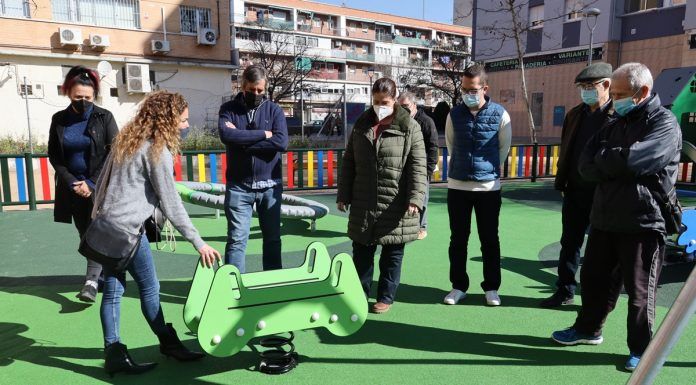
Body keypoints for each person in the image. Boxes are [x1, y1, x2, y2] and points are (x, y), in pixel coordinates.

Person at [551, 63, 681, 372]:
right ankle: (587, 329)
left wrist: (610, 161)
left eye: (621, 93)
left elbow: (637, 160)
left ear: (643, 92)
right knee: (594, 281)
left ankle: (642, 349)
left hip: (643, 220)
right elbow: (586, 162)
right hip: (605, 216)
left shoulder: (664, 123)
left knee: (639, 293)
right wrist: (616, 161)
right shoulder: (614, 123)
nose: (616, 99)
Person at [95, 91, 221, 376]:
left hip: (106, 226)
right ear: (168, 119)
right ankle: (169, 343)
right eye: (184, 120)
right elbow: (171, 202)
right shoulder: (156, 151)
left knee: (113, 291)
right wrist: (198, 242)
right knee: (150, 289)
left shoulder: (127, 142)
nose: (186, 126)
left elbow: (102, 183)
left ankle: (113, 352)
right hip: (127, 231)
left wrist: (98, 216)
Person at [337, 77, 427, 314]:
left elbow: (418, 166)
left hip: (395, 201)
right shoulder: (362, 124)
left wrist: (416, 199)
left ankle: (385, 297)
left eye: (384, 101)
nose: (380, 105)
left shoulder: (409, 126)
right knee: (361, 252)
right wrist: (343, 194)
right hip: (364, 199)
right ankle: (359, 294)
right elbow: (349, 162)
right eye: (376, 101)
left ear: (395, 99)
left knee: (392, 253)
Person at [541, 63, 614, 308]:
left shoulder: (619, 115)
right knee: (569, 242)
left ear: (606, 85)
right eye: (582, 87)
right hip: (575, 189)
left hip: (604, 192)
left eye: (590, 86)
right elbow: (566, 149)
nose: (585, 92)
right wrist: (562, 181)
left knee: (600, 247)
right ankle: (564, 290)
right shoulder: (575, 114)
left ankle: (595, 296)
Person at [48, 66, 118, 303]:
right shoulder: (59, 120)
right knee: (84, 232)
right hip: (72, 189)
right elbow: (54, 156)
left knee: (97, 232)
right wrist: (72, 182)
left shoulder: (104, 117)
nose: (83, 102)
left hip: (99, 186)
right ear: (69, 93)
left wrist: (91, 182)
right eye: (78, 97)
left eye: (88, 98)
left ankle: (90, 281)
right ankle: (102, 275)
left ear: (94, 95)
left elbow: (114, 153)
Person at [443, 64, 511, 307]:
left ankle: (491, 288)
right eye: (464, 89)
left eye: (472, 89)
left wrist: (487, 171)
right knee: (458, 240)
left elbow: (503, 149)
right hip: (458, 187)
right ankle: (458, 286)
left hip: (488, 189)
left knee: (489, 240)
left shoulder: (500, 114)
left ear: (485, 88)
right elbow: (451, 145)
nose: (467, 93)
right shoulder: (454, 115)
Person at [218, 65, 289, 273]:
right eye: (251, 90)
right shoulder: (229, 109)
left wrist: (242, 142)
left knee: (273, 238)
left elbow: (281, 143)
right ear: (242, 86)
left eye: (260, 91)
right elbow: (226, 136)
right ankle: (232, 284)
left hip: (270, 185)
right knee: (237, 239)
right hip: (239, 186)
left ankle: (273, 280)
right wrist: (264, 134)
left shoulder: (274, 110)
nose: (256, 94)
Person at [398, 91, 439, 240]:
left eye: (406, 106)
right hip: (403, 166)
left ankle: (422, 227)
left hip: (421, 167)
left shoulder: (426, 122)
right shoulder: (399, 120)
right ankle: (405, 224)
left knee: (422, 197)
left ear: (414, 105)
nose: (403, 109)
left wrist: (428, 169)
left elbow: (433, 146)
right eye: (400, 106)